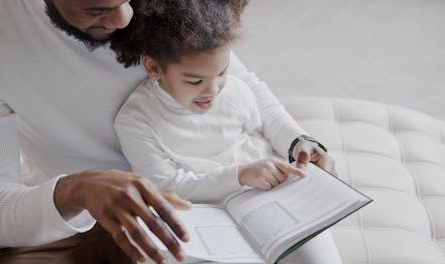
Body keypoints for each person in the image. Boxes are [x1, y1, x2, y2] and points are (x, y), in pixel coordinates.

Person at [0, 0, 335, 263]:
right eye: (96, 8)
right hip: (80, 219)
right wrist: (75, 189)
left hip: (210, 194)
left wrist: (299, 140)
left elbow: (239, 79)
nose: (124, 19)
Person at [113, 0, 342, 263]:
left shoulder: (234, 90)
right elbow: (164, 186)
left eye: (222, 72)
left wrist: (299, 142)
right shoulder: (135, 120)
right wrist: (239, 176)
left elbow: (267, 121)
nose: (213, 90)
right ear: (154, 68)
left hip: (267, 196)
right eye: (195, 81)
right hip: (203, 212)